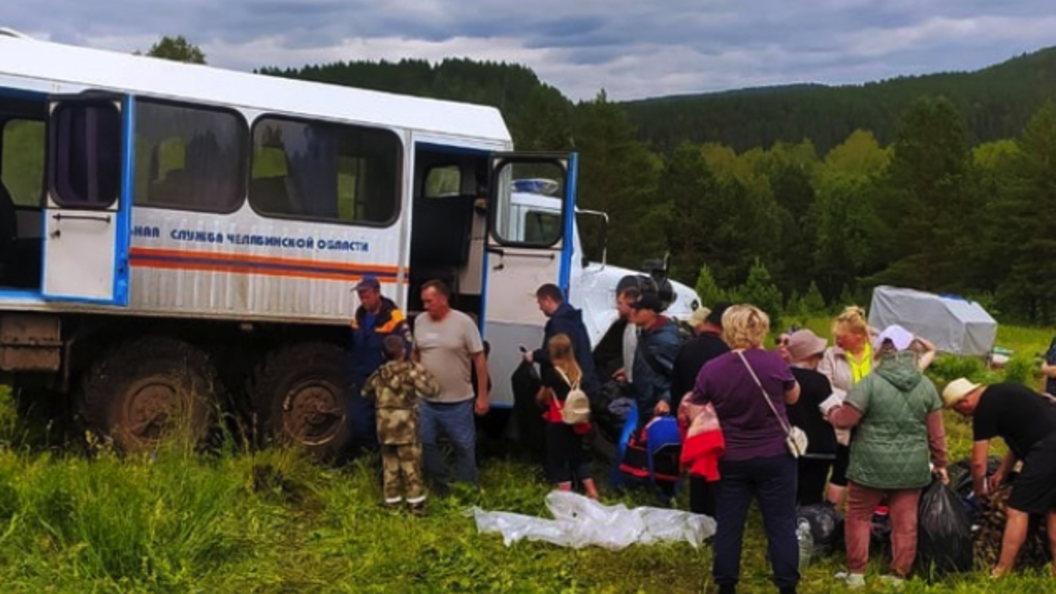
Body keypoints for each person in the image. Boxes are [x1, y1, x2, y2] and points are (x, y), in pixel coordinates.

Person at [823, 325, 949, 588]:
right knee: (905, 522)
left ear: (882, 350)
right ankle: (898, 576)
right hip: (912, 468)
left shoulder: (869, 382)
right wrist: (941, 464)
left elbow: (846, 420)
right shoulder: (926, 385)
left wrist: (833, 410)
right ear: (911, 352)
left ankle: (856, 573)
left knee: (858, 515)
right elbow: (937, 435)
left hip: (869, 464)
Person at [689, 304, 801, 594]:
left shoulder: (712, 369)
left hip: (731, 457)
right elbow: (792, 398)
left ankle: (726, 586)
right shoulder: (775, 363)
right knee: (780, 524)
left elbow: (695, 411)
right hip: (776, 455)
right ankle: (787, 586)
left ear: (728, 330)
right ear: (760, 329)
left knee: (729, 523)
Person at [942, 377, 1056, 578]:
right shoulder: (1003, 392)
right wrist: (1002, 473)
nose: (966, 416)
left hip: (1048, 451)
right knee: (1052, 512)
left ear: (964, 402)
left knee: (1017, 510)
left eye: (960, 412)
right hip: (1048, 444)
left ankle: (1001, 571)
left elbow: (978, 462)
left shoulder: (985, 408)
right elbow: (1020, 439)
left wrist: (979, 490)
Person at [413, 280, 489, 492]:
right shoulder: (420, 321)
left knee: (463, 446)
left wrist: (482, 396)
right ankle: (442, 485)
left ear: (443, 299)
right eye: (423, 302)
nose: (426, 306)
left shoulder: (464, 323)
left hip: (458, 401)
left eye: (430, 301)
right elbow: (416, 353)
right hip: (427, 401)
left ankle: (467, 488)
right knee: (426, 442)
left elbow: (479, 360)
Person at [362, 335, 439, 514]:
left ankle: (392, 506)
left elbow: (365, 392)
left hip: (384, 428)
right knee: (411, 466)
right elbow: (432, 390)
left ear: (383, 353)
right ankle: (416, 506)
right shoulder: (412, 371)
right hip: (406, 427)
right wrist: (423, 371)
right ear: (403, 352)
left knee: (390, 466)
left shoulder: (379, 373)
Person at [671, 301, 731, 515]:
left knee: (697, 471)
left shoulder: (686, 348)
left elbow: (675, 388)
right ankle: (715, 517)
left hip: (692, 420)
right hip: (722, 424)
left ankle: (698, 516)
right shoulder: (729, 352)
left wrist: (680, 417)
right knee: (718, 472)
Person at [347, 275, 414, 453]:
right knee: (359, 422)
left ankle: (382, 464)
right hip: (362, 378)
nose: (362, 298)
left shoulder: (393, 316)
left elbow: (406, 349)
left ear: (377, 293)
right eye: (360, 294)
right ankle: (368, 458)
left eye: (366, 294)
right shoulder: (359, 316)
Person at [818, 305, 876, 506]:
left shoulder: (879, 353)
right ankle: (829, 510)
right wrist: (847, 408)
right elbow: (823, 387)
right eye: (836, 336)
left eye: (842, 336)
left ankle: (866, 510)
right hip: (842, 419)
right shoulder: (830, 355)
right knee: (841, 464)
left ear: (859, 335)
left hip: (874, 420)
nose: (838, 340)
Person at [536, 333, 600, 499]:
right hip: (576, 421)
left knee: (558, 458)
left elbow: (541, 396)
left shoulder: (551, 373)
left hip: (558, 420)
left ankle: (565, 494)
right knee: (577, 456)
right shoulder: (577, 371)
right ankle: (592, 491)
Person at [784, 329, 838, 506]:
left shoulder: (780, 376)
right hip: (818, 448)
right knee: (812, 495)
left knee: (787, 493)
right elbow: (831, 411)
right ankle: (807, 526)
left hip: (786, 446)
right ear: (812, 355)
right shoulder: (819, 381)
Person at [523, 284, 601, 396]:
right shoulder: (572, 319)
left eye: (540, 303)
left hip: (566, 387)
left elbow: (559, 353)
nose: (540, 308)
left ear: (548, 300)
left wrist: (534, 355)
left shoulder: (560, 322)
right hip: (582, 383)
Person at [629, 293, 682, 420]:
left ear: (651, 312)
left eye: (638, 309)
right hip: (647, 403)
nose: (633, 312)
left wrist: (666, 399)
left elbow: (679, 375)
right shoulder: (646, 334)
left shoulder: (666, 340)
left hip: (658, 408)